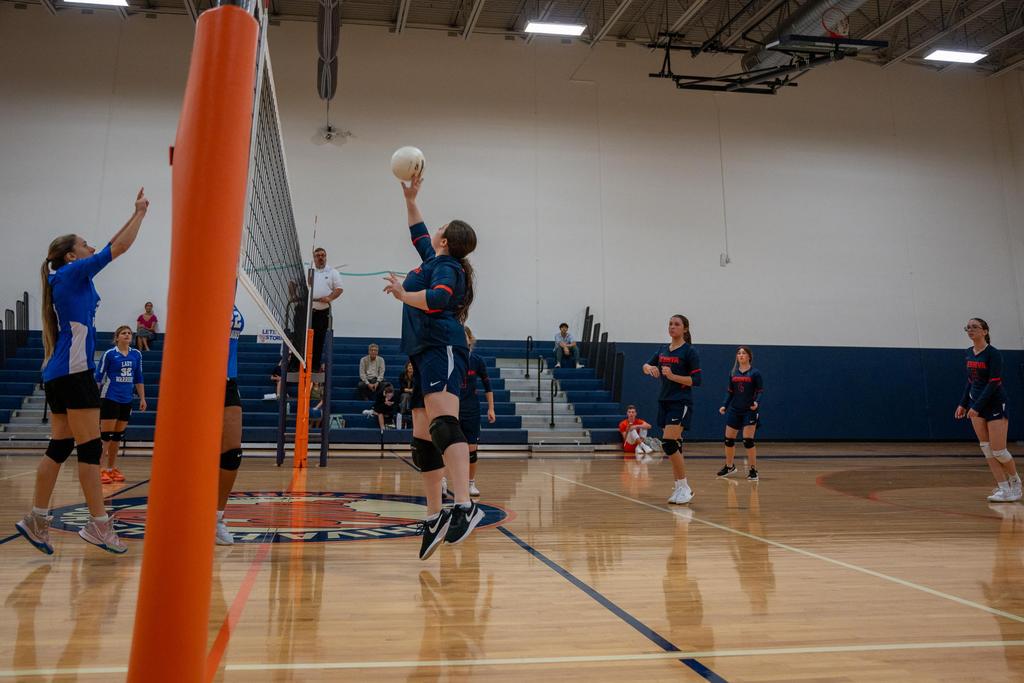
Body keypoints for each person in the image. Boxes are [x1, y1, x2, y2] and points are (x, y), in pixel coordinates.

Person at [15, 187, 149, 555]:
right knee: (90, 450)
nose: (92, 247)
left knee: (59, 446)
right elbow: (117, 248)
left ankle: (36, 519)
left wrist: (134, 211)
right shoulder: (72, 273)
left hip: (60, 374)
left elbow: (108, 245)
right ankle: (99, 525)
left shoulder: (70, 276)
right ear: (71, 255)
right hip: (75, 374)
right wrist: (141, 214)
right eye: (84, 244)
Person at [383, 171, 481, 560]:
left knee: (443, 424)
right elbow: (418, 232)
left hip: (442, 347)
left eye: (440, 229)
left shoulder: (448, 268)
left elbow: (438, 300)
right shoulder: (434, 258)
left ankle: (464, 506)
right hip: (423, 350)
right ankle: (434, 515)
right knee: (423, 438)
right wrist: (411, 199)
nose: (434, 230)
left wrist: (402, 294)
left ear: (446, 241)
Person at [956, 318, 1021, 503]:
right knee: (987, 449)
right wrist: (963, 403)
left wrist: (976, 407)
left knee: (999, 450)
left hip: (994, 404)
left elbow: (994, 382)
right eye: (968, 327)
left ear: (985, 331)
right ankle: (1003, 489)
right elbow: (971, 381)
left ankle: (1015, 482)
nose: (970, 330)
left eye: (975, 327)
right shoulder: (968, 353)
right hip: (975, 405)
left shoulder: (993, 354)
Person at [642, 314, 701, 505]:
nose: (672, 327)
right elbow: (646, 365)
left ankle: (685, 487)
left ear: (685, 329)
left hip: (680, 401)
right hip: (664, 400)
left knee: (668, 443)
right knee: (675, 445)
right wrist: (649, 368)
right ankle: (678, 487)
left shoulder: (689, 351)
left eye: (676, 324)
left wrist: (673, 376)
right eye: (670, 324)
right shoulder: (663, 350)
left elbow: (696, 380)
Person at [95, 325, 146, 484]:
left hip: (126, 399)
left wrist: (142, 398)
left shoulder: (136, 354)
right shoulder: (110, 354)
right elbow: (98, 377)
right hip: (110, 397)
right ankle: (98, 469)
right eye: (123, 333)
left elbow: (138, 377)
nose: (127, 335)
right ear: (117, 337)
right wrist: (94, 399)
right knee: (106, 437)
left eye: (129, 333)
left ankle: (111, 468)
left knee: (117, 437)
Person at [215, 304, 246, 546]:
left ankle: (215, 517)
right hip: (200, 377)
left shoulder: (230, 296)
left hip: (228, 380)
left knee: (232, 453)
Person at [458, 327, 495, 497]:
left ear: (470, 338)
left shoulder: (477, 360)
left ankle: (470, 483)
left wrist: (491, 408)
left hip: (471, 410)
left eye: (464, 335)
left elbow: (488, 386)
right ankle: (443, 482)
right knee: (446, 449)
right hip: (452, 408)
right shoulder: (450, 359)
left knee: (471, 450)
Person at [717, 346, 763, 482]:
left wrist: (756, 403)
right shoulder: (733, 373)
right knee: (728, 440)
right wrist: (724, 405)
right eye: (739, 353)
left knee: (748, 441)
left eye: (743, 353)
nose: (741, 355)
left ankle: (753, 470)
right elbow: (730, 392)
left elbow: (760, 391)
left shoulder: (755, 373)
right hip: (735, 410)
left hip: (749, 410)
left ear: (749, 356)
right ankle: (729, 466)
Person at [309, 247, 343, 372]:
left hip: (323, 312)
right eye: (318, 255)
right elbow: (295, 282)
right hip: (307, 311)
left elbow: (339, 289)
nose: (320, 257)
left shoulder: (332, 272)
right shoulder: (309, 269)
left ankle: (315, 366)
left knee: (319, 340)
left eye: (323, 255)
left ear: (326, 257)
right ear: (314, 257)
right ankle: (298, 364)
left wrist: (329, 298)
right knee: (304, 339)